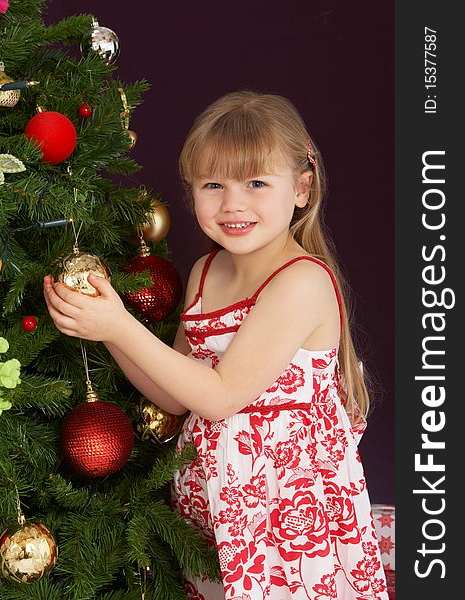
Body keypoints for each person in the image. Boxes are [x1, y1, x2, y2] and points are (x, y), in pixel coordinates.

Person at [44, 90, 388, 600]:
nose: (232, 203)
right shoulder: (206, 271)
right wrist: (104, 329)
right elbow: (176, 395)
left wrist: (119, 326)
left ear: (301, 188)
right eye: (213, 184)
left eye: (255, 183)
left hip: (287, 513)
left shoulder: (302, 281)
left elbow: (222, 396)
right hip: (217, 501)